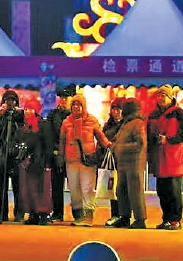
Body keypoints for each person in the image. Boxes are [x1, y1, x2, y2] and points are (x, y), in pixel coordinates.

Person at [60, 95, 111, 226]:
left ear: (84, 106)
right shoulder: (66, 122)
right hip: (71, 160)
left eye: (79, 104)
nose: (76, 107)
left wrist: (108, 146)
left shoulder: (91, 120)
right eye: (74, 104)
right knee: (74, 189)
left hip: (87, 160)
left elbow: (101, 136)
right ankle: (78, 216)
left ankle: (88, 216)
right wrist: (60, 157)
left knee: (87, 188)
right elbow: (62, 141)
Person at [147, 85, 183, 230]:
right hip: (159, 159)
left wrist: (168, 140)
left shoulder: (179, 114)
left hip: (175, 159)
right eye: (159, 95)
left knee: (174, 191)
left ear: (171, 97)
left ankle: (175, 220)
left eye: (164, 96)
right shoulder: (153, 115)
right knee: (162, 191)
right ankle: (166, 219)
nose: (161, 98)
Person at [0, 89, 25, 222]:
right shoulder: (0, 115)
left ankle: (18, 213)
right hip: (1, 153)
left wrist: (20, 114)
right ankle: (2, 212)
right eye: (8, 100)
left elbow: (28, 125)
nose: (10, 103)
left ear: (16, 102)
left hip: (17, 154)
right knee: (0, 186)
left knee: (18, 186)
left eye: (13, 100)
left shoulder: (21, 115)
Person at [108, 99, 147, 229]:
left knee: (135, 191)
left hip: (134, 162)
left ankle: (140, 219)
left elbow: (140, 144)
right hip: (124, 162)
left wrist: (120, 148)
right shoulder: (127, 123)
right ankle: (125, 216)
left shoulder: (137, 123)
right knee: (122, 190)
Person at [15, 102, 55, 225]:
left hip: (40, 162)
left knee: (41, 190)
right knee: (27, 189)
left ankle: (43, 214)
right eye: (26, 109)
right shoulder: (23, 127)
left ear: (36, 110)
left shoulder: (43, 124)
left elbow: (48, 144)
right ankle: (33, 213)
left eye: (30, 109)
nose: (27, 111)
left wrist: (47, 162)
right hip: (27, 163)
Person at [44, 85, 76, 222]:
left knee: (75, 186)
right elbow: (49, 135)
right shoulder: (53, 115)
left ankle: (78, 213)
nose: (63, 100)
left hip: (73, 154)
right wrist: (53, 151)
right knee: (56, 185)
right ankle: (57, 213)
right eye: (61, 97)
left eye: (66, 98)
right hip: (57, 154)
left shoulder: (76, 116)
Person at [102, 99, 125, 224]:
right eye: (113, 109)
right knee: (112, 188)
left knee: (121, 189)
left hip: (122, 160)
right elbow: (102, 138)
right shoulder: (108, 125)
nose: (115, 112)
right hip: (110, 161)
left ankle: (123, 215)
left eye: (118, 109)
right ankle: (115, 214)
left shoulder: (126, 125)